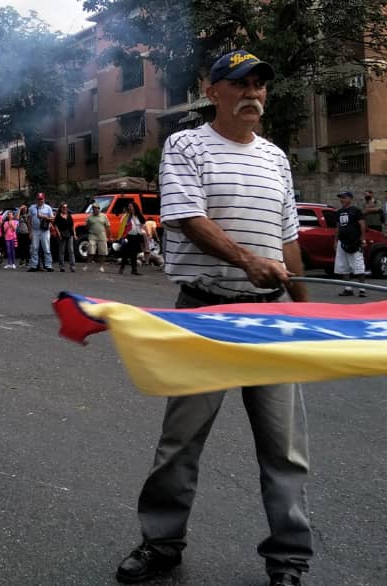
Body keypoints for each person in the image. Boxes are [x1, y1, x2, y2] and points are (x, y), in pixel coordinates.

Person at [119, 49, 311, 586]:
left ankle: (289, 561)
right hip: (206, 312)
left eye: (260, 85)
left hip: (270, 322)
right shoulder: (186, 145)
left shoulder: (276, 158)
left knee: (285, 449)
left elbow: (288, 239)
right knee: (180, 442)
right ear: (214, 90)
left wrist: (311, 311)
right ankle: (161, 543)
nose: (253, 93)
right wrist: (247, 260)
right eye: (241, 83)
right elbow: (187, 218)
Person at [333, 191, 367, 296]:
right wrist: (335, 241)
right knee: (343, 266)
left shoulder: (355, 211)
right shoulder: (339, 212)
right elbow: (338, 227)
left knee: (358, 265)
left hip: (354, 242)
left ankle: (362, 289)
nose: (342, 200)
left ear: (350, 199)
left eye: (344, 197)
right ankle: (348, 288)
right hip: (342, 242)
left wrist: (363, 239)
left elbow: (362, 224)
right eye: (341, 198)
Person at [27, 192, 54, 272]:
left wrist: (43, 216)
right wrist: (30, 231)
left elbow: (52, 219)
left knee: (46, 248)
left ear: (44, 199)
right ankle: (34, 266)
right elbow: (29, 219)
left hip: (45, 231)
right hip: (35, 230)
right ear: (37, 199)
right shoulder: (32, 207)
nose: (40, 201)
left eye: (41, 199)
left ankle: (48, 265)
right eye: (39, 199)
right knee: (34, 248)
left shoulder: (48, 208)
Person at [116, 202, 146, 275]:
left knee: (134, 254)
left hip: (136, 236)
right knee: (126, 253)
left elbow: (143, 225)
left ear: (134, 207)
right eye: (128, 206)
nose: (129, 208)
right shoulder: (126, 216)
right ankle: (122, 268)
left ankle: (134, 270)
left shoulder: (139, 216)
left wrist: (142, 233)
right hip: (128, 237)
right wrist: (121, 237)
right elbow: (122, 226)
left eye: (131, 206)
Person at [86, 202, 110, 272]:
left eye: (96, 208)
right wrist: (90, 230)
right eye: (93, 208)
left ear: (99, 209)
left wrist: (109, 236)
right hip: (92, 235)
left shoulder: (104, 216)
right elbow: (87, 226)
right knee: (91, 250)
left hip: (101, 235)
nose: (95, 210)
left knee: (102, 252)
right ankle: (87, 265)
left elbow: (108, 226)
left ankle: (101, 266)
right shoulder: (90, 217)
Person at [54, 202, 76, 272]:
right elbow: (56, 225)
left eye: (66, 207)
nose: (65, 208)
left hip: (69, 234)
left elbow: (72, 225)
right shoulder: (58, 216)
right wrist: (59, 234)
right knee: (62, 251)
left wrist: (74, 234)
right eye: (63, 207)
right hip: (62, 234)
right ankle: (62, 267)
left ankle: (72, 267)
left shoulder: (69, 215)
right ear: (61, 208)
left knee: (71, 250)